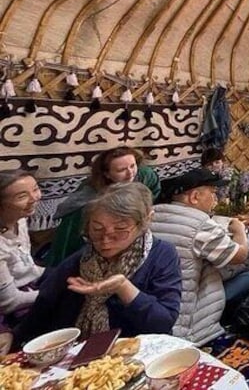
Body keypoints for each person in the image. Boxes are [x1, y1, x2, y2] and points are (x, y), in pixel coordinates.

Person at [15, 183, 181, 344]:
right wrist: (13, 336)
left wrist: (123, 287)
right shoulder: (84, 258)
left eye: (120, 230)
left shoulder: (162, 254)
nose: (105, 240)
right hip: (82, 353)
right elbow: (44, 305)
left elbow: (162, 322)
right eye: (97, 229)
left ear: (143, 224)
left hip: (137, 351)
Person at [151, 168, 249, 344]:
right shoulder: (201, 225)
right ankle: (232, 323)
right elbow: (240, 255)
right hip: (188, 319)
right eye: (213, 193)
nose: (216, 199)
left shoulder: (151, 215)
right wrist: (240, 230)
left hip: (153, 311)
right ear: (194, 197)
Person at [49, 146, 161, 265]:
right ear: (107, 174)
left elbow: (153, 187)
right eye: (121, 170)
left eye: (133, 166)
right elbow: (67, 244)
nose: (130, 173)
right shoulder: (87, 202)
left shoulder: (143, 176)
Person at [0, 171, 45, 320]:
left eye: (35, 189)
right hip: (12, 310)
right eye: (22, 196)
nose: (34, 198)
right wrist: (55, 289)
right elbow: (9, 302)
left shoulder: (20, 219)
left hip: (32, 285)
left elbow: (27, 267)